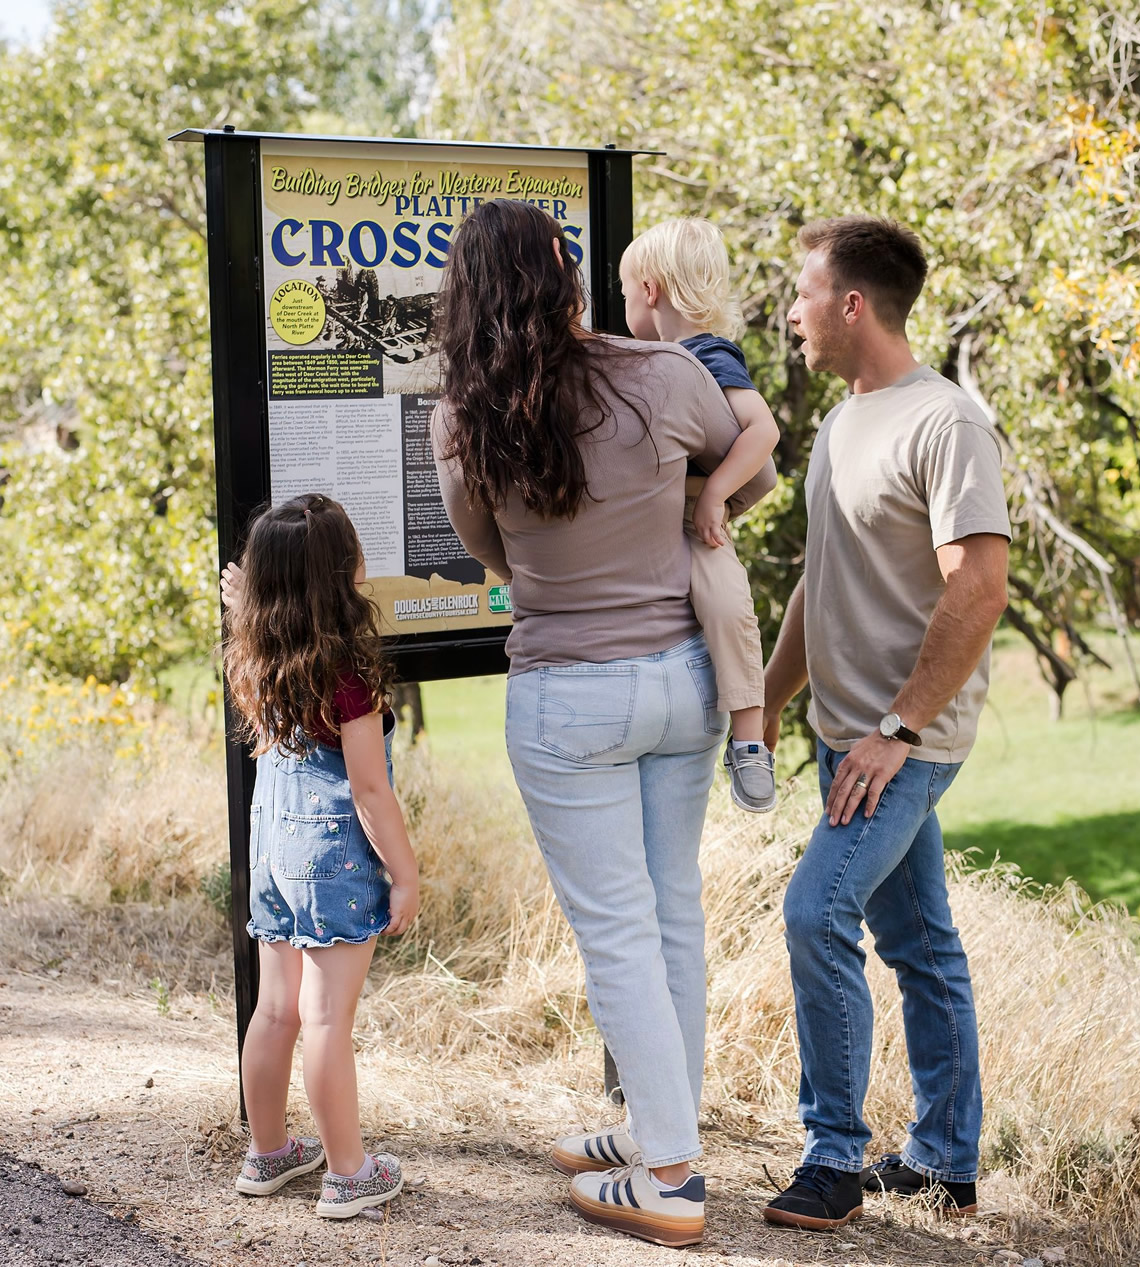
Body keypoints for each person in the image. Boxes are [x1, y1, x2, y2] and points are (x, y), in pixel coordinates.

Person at [430, 199, 776, 1248]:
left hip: (565, 691)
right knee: (669, 916)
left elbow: (485, 546)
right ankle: (659, 1131)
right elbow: (750, 467)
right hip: (680, 680)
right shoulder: (664, 375)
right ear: (567, 279)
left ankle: (669, 1176)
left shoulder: (463, 415)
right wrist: (680, 514)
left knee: (617, 933)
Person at [758, 217, 1011, 1230]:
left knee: (815, 912)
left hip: (902, 744)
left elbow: (981, 587)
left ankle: (832, 1158)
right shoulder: (840, 421)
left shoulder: (944, 423)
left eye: (802, 293)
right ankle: (945, 1160)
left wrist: (898, 728)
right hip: (842, 731)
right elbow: (824, 583)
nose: (791, 312)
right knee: (918, 940)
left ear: (851, 304)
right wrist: (772, 698)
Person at [220, 494, 421, 1220]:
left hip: (274, 851)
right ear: (342, 575)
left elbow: (260, 606)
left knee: (277, 1009)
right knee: (329, 1018)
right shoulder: (346, 676)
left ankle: (269, 1152)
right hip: (333, 857)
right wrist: (405, 873)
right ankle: (348, 1173)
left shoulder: (257, 650)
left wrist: (248, 599)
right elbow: (368, 789)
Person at [619, 218, 781, 813]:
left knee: (726, 599)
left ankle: (748, 737)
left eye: (625, 290)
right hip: (652, 515)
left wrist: (714, 497)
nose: (624, 303)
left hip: (693, 512)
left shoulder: (708, 355)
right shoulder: (651, 358)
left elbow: (763, 430)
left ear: (652, 289)